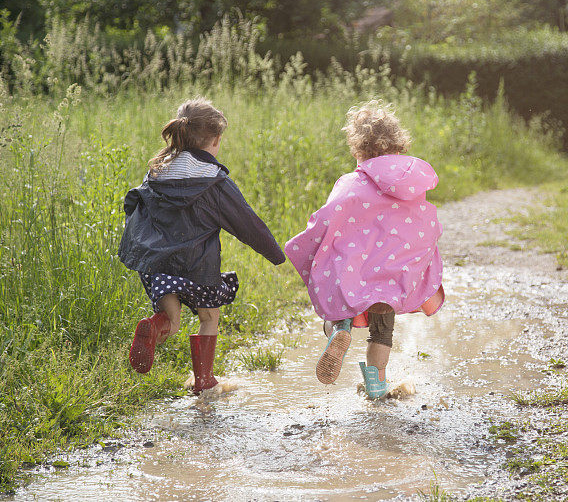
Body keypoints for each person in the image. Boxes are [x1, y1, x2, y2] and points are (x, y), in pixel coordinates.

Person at [118, 97, 285, 394]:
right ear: (216, 139)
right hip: (198, 268)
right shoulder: (214, 182)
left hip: (158, 267)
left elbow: (136, 207)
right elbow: (247, 224)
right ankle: (204, 381)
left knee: (173, 319)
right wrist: (276, 254)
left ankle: (156, 326)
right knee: (209, 317)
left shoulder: (157, 172)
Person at [285, 100, 445, 399]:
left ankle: (339, 329)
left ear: (358, 148)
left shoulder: (352, 182)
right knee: (382, 331)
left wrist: (305, 242)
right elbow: (421, 223)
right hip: (394, 275)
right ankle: (376, 388)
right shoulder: (411, 183)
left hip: (357, 273)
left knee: (337, 280)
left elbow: (328, 220)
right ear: (399, 143)